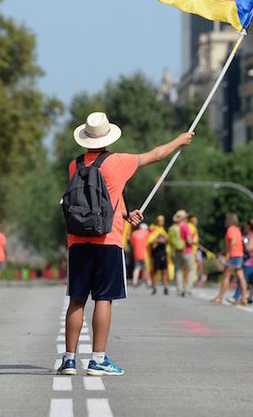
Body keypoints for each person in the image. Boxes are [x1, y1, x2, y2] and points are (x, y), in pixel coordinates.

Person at [57, 111, 193, 377]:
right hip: (107, 239)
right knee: (104, 299)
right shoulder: (118, 162)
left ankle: (69, 359)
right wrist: (179, 140)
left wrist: (123, 213)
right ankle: (97, 359)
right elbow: (155, 155)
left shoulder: (74, 165)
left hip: (77, 240)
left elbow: (91, 201)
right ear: (107, 137)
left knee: (77, 300)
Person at [211, 213, 249, 306]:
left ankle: (220, 297)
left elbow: (232, 243)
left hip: (234, 255)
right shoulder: (237, 230)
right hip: (240, 254)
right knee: (241, 277)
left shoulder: (231, 229)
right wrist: (221, 252)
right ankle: (244, 298)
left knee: (227, 276)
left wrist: (227, 254)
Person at [234, 219, 253, 306]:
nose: (244, 227)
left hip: (250, 262)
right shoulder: (249, 235)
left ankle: (236, 297)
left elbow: (249, 249)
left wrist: (241, 245)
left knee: (243, 279)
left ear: (249, 227)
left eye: (246, 226)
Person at [170, 210, 195, 296]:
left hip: (177, 251)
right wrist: (193, 242)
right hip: (187, 250)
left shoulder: (174, 227)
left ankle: (179, 289)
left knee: (179, 270)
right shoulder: (185, 226)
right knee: (192, 269)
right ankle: (187, 288)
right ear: (184, 218)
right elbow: (188, 240)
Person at [148, 216, 169, 295]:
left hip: (163, 253)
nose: (161, 222)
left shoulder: (163, 230)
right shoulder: (154, 229)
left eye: (162, 220)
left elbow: (167, 239)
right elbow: (150, 242)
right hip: (156, 253)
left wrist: (164, 240)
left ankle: (165, 287)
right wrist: (157, 240)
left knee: (164, 271)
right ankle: (154, 287)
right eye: (160, 220)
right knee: (155, 271)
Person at [189, 216, 207, 288]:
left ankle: (197, 281)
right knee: (195, 266)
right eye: (195, 221)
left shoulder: (194, 229)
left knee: (199, 266)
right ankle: (193, 282)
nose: (196, 222)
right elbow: (193, 242)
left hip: (195, 250)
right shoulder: (191, 228)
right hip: (192, 251)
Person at [130, 223, 149, 287]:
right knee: (146, 268)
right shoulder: (147, 233)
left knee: (137, 268)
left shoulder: (134, 233)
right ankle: (148, 282)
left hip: (136, 253)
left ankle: (134, 282)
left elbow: (132, 243)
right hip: (145, 253)